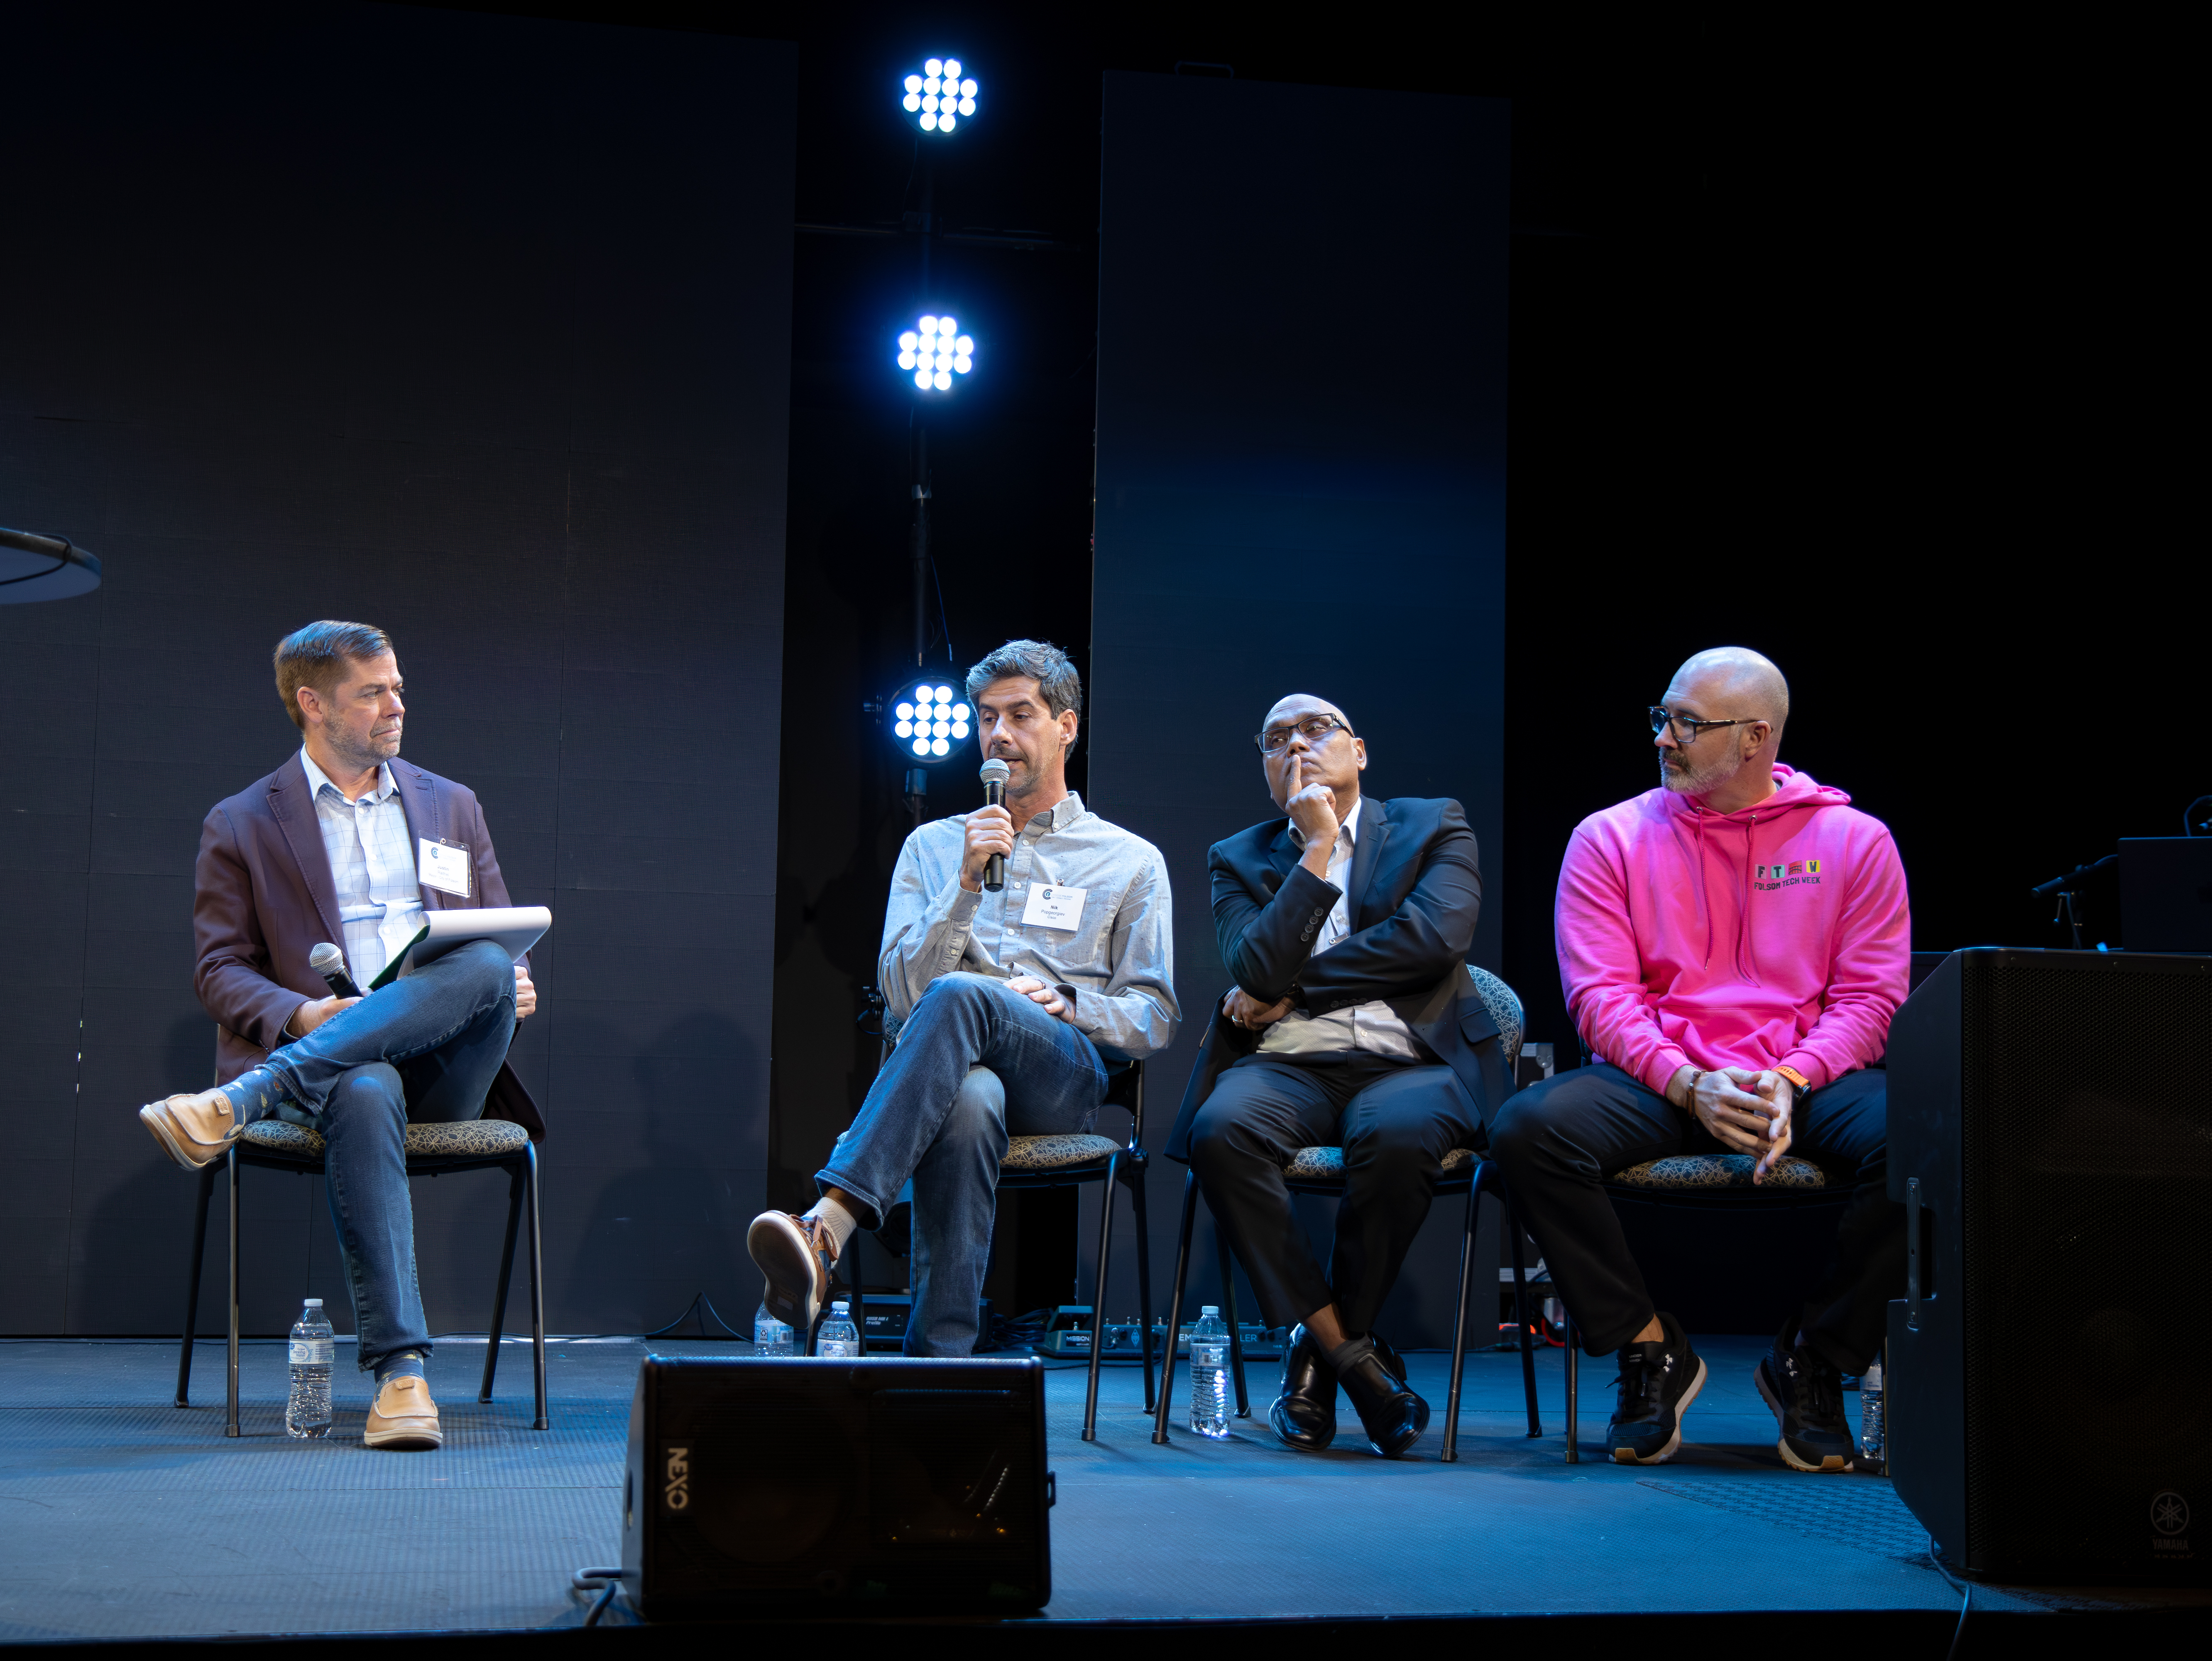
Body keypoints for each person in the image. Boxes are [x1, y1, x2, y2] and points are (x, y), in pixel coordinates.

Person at [1490, 647, 1909, 1471]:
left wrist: (1793, 1076)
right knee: (1526, 1130)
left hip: (1801, 1078)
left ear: (1756, 738)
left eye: (1688, 723)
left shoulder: (1856, 841)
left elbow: (1871, 998)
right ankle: (1649, 1349)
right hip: (1664, 1074)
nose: (1664, 738)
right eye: (1663, 716)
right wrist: (1687, 1079)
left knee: (1936, 1135)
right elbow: (1600, 998)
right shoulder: (1608, 837)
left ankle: (1815, 1361)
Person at [137, 621, 541, 1452]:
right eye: (375, 691)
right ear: (314, 704)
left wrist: (513, 982)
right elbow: (219, 968)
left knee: (488, 972)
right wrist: (303, 1013)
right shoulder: (245, 820)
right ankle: (402, 1376)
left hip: (448, 1059)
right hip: (335, 1065)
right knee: (363, 1086)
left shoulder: (450, 803)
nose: (398, 704)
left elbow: (492, 938)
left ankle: (242, 1095)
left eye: (397, 685)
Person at [746, 640, 1178, 1355]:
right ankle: (938, 1365)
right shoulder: (933, 848)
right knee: (971, 1098)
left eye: (1020, 715)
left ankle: (831, 1222)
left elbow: (1155, 1017)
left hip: (1061, 1073)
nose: (998, 735)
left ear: (1067, 727)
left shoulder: (1129, 860)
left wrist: (1071, 1003)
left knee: (964, 996)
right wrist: (967, 883)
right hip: (951, 1071)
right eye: (986, 717)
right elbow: (901, 995)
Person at [1162, 694, 1510, 1458]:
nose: (1296, 746)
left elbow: (1432, 939)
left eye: (1316, 730)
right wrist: (1316, 851)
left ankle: (1313, 1358)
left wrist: (1299, 986)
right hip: (1290, 1064)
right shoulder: (1239, 856)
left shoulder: (1432, 823)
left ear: (1359, 750)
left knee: (1399, 1138)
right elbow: (1253, 965)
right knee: (1223, 1133)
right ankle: (1355, 1361)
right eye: (1276, 739)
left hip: (1413, 1060)